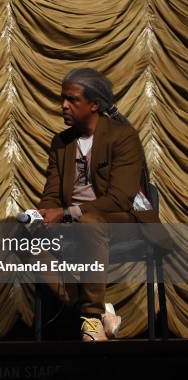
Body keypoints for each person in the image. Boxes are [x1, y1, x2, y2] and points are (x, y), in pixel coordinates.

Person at [37, 68, 156, 341]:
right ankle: (99, 309)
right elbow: (52, 193)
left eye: (72, 99)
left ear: (94, 105)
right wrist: (41, 214)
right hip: (75, 223)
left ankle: (90, 317)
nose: (63, 105)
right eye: (62, 98)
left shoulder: (123, 136)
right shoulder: (61, 142)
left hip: (121, 220)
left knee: (89, 223)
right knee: (20, 234)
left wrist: (67, 212)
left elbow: (119, 199)